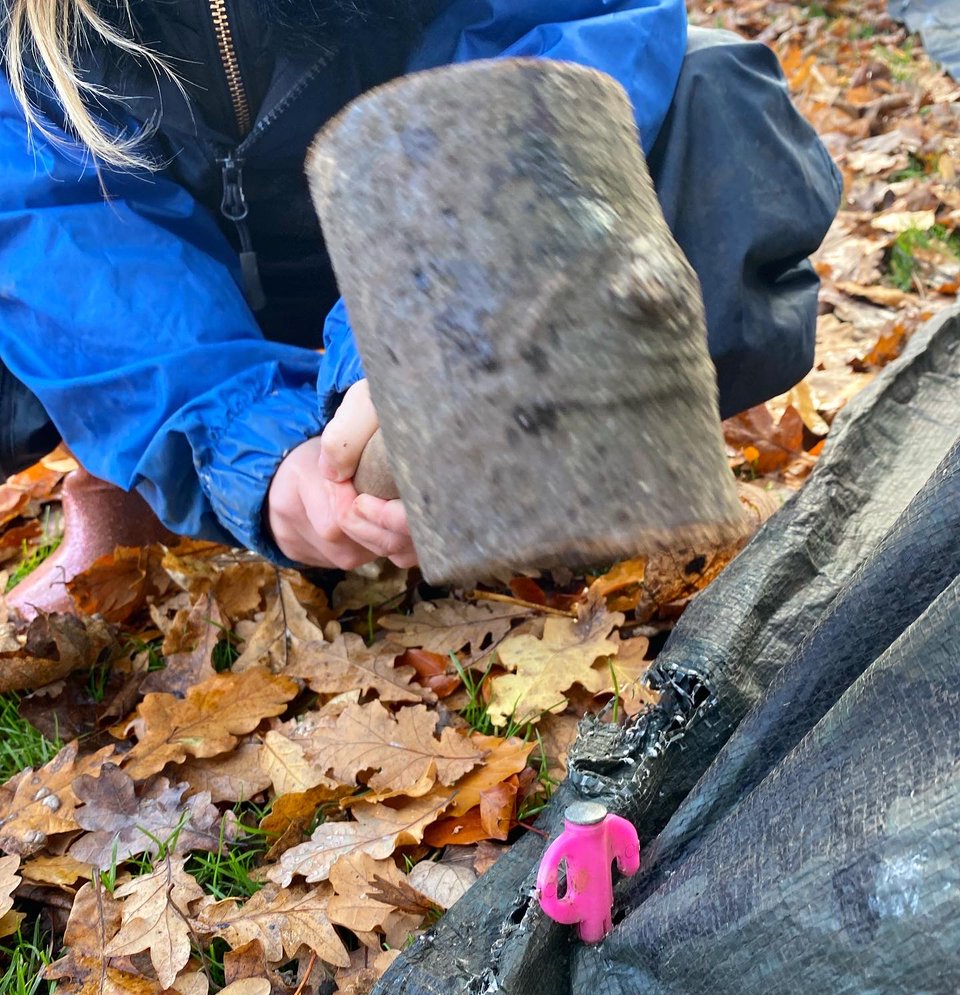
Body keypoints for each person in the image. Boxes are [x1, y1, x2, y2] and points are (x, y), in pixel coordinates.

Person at [0, 0, 841, 614]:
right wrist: (254, 452)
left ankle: (555, 466)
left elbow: (556, 35)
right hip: (199, 316)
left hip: (449, 264)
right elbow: (66, 240)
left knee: (712, 98)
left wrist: (412, 330)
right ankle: (157, 486)